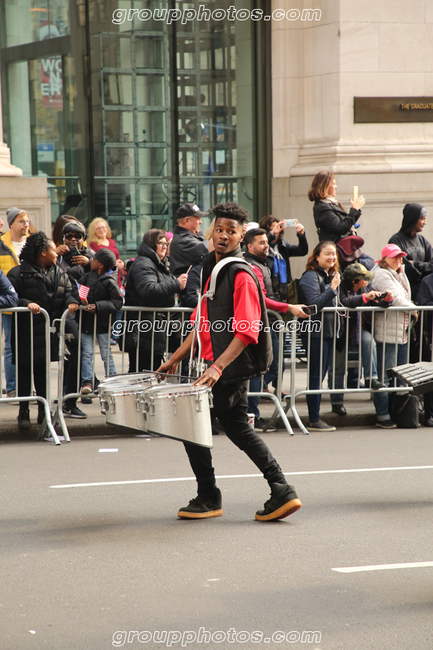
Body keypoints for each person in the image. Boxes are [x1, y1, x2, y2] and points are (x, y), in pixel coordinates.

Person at [158, 201, 302, 522]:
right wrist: (174, 359)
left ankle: (209, 496)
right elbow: (201, 324)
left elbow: (247, 331)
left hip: (227, 368)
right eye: (219, 229)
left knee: (193, 429)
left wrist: (217, 367)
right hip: (218, 366)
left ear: (241, 237)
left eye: (231, 231)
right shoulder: (213, 268)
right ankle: (280, 488)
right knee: (237, 428)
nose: (223, 235)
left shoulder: (240, 275)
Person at [7, 232, 81, 429]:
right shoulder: (17, 273)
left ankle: (43, 412)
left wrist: (72, 301)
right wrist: (26, 303)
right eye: (52, 249)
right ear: (42, 252)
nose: (56, 253)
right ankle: (23, 413)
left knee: (42, 374)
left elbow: (70, 290)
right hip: (25, 332)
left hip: (48, 332)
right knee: (24, 373)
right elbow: (10, 297)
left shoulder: (59, 271)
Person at [243, 227, 307, 430]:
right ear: (249, 246)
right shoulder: (252, 266)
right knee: (261, 370)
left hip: (270, 321)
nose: (266, 246)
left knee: (273, 367)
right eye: (261, 243)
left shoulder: (263, 262)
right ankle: (251, 414)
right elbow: (261, 298)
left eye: (266, 242)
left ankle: (251, 409)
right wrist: (288, 307)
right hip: (260, 324)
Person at [124, 229, 188, 372]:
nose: (165, 247)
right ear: (151, 244)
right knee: (142, 375)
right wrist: (176, 284)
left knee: (150, 374)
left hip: (152, 330)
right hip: (142, 330)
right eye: (161, 243)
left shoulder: (159, 263)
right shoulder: (144, 263)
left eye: (166, 244)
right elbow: (148, 290)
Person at [298, 241, 344, 431]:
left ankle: (314, 417)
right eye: (327, 253)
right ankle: (314, 419)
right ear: (316, 256)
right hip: (315, 333)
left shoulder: (328, 276)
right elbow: (313, 304)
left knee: (320, 375)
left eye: (334, 254)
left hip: (328, 332)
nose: (332, 257)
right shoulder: (311, 276)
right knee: (316, 377)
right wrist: (332, 288)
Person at [371, 244, 417, 429]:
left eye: (400, 256)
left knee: (400, 376)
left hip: (401, 331)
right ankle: (382, 415)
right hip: (387, 332)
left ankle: (398, 413)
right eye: (394, 257)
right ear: (384, 258)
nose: (398, 259)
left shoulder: (400, 272)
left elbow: (404, 297)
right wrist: (414, 309)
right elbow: (397, 299)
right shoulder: (381, 274)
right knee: (385, 376)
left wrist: (411, 307)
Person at [340, 263, 390, 392]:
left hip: (360, 330)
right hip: (342, 331)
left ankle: (371, 378)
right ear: (354, 282)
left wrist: (386, 300)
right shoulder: (341, 288)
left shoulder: (365, 288)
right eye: (364, 278)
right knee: (337, 369)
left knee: (369, 341)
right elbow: (345, 302)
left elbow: (376, 304)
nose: (368, 280)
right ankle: (337, 399)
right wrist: (364, 298)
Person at [78, 248, 123, 394]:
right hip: (87, 323)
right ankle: (87, 382)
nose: (91, 261)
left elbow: (117, 302)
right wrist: (81, 299)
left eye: (94, 259)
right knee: (87, 353)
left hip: (103, 323)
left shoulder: (110, 281)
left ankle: (112, 380)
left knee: (106, 353)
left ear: (101, 264)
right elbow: (78, 289)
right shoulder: (88, 276)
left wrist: (97, 306)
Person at [308, 172, 373, 270]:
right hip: (341, 252)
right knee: (366, 266)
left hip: (348, 249)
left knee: (370, 263)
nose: (336, 187)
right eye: (333, 184)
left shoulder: (331, 203)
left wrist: (355, 210)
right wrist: (354, 210)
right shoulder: (322, 207)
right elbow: (341, 228)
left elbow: (346, 224)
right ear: (325, 186)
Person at [0, 208, 30, 397]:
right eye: (21, 221)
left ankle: (26, 388)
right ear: (11, 224)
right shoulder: (2, 244)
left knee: (28, 346)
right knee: (10, 346)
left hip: (29, 304)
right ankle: (12, 388)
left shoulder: (33, 243)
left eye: (27, 221)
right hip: (9, 305)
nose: (26, 224)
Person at [388, 203, 433, 302]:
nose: (425, 222)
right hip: (407, 294)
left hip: (425, 293)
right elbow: (405, 267)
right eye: (422, 219)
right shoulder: (396, 240)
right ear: (413, 219)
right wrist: (425, 270)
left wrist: (416, 264)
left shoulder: (423, 241)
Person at [259, 215, 309, 297]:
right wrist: (271, 235)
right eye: (271, 230)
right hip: (268, 291)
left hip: (285, 291)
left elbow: (302, 251)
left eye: (277, 228)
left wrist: (301, 235)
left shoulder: (282, 245)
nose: (275, 232)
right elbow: (260, 247)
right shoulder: (261, 248)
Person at [169, 203, 209, 277]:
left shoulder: (190, 237)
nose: (201, 222)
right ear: (187, 220)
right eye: (198, 219)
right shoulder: (183, 241)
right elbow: (208, 249)